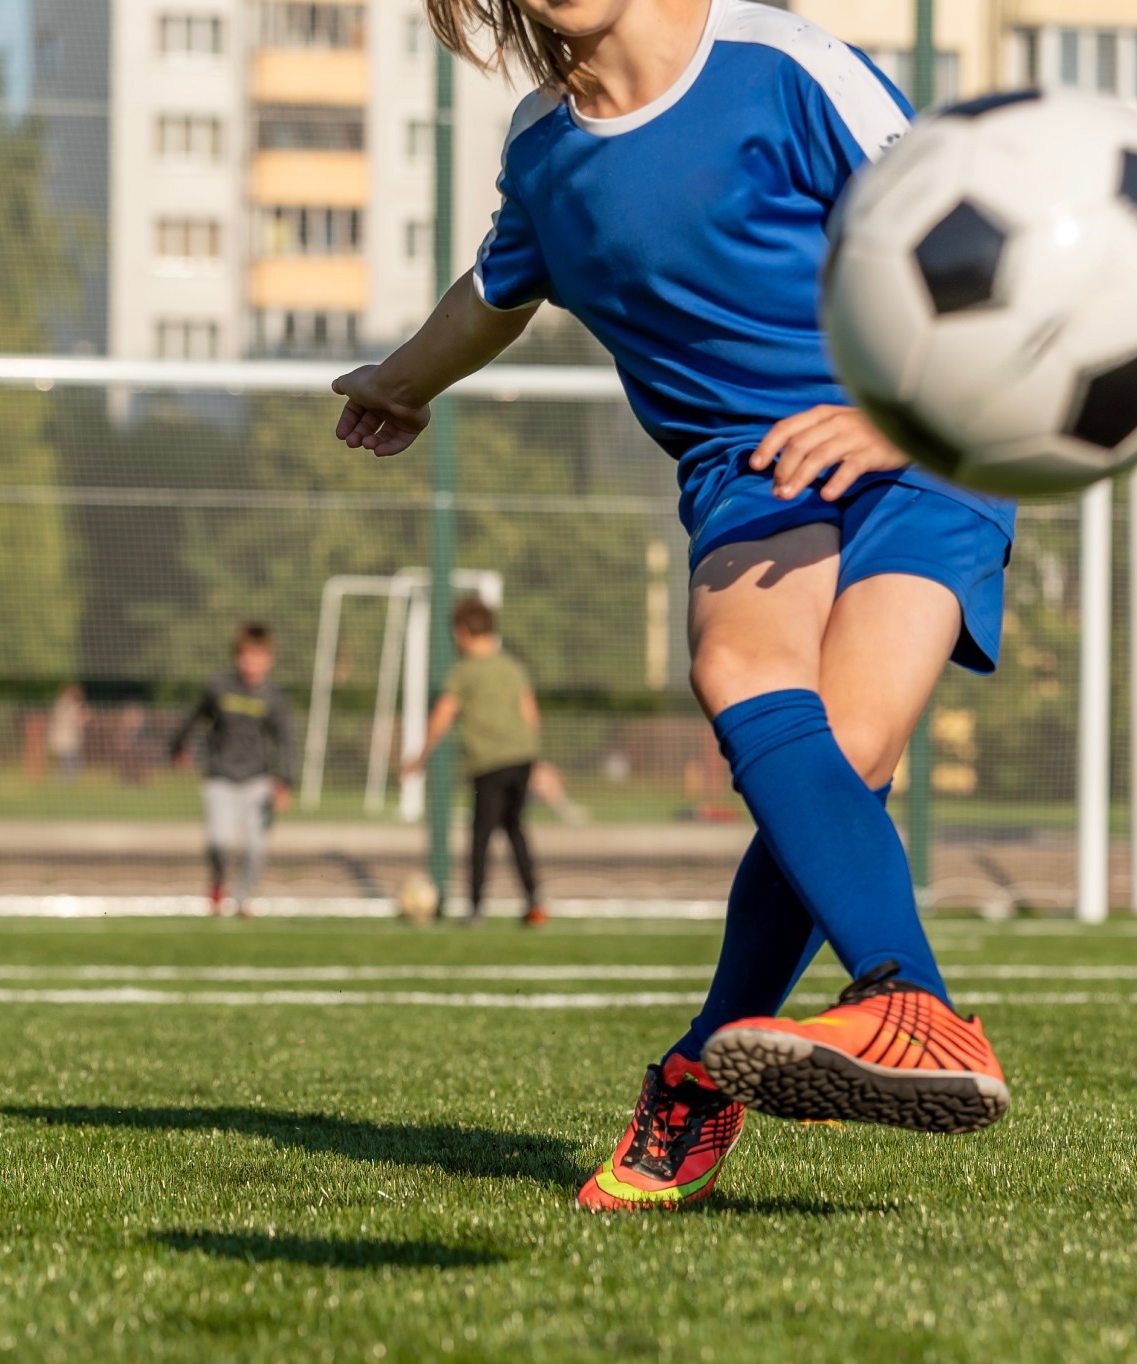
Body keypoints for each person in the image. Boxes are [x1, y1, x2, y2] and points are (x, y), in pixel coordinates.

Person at [332, 0, 1015, 1212]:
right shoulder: (543, 153)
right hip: (750, 480)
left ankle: (770, 1046)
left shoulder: (786, 67)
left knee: (844, 754)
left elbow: (962, 241)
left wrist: (895, 405)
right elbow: (493, 293)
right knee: (745, 677)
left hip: (920, 436)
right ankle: (864, 1016)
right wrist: (400, 382)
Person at [400, 597, 549, 927]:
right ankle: (534, 901)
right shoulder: (511, 666)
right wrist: (535, 759)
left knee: (481, 833)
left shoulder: (463, 671)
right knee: (514, 827)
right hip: (521, 757)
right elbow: (530, 713)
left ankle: (476, 908)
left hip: (489, 762)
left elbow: (442, 715)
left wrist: (420, 756)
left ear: (464, 631)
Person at [170, 623, 297, 917]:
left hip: (258, 781)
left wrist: (285, 782)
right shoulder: (219, 688)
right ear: (238, 657)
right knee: (219, 842)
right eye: (247, 656)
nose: (252, 664)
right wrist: (179, 747)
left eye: (259, 657)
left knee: (255, 848)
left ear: (269, 659)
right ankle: (217, 881)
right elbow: (194, 718)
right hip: (220, 778)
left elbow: (286, 741)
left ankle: (242, 900)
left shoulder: (274, 698)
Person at [47, 683, 89, 783]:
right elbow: (76, 719)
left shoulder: (64, 705)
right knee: (71, 760)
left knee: (70, 760)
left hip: (67, 738)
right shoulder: (66, 706)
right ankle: (64, 780)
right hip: (67, 738)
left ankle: (64, 780)